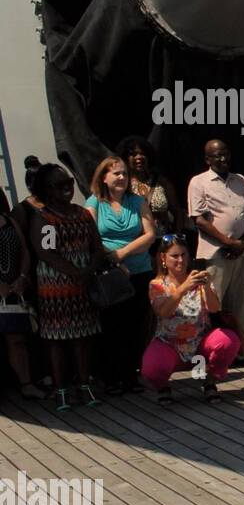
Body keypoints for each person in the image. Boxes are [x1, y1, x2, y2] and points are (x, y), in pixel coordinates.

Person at [28, 163, 111, 410]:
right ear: (47, 189)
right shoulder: (46, 218)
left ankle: (84, 384)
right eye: (59, 185)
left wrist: (88, 270)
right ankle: (61, 388)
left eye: (69, 184)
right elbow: (47, 252)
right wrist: (75, 273)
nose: (67, 189)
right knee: (58, 340)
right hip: (56, 288)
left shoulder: (82, 214)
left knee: (83, 337)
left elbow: (96, 246)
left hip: (84, 285)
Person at [85, 156, 157, 394]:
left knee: (136, 325)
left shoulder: (137, 202)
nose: (122, 178)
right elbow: (91, 236)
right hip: (110, 273)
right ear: (103, 177)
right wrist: (113, 260)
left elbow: (150, 234)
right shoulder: (94, 202)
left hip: (139, 270)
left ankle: (131, 375)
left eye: (125, 173)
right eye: (116, 173)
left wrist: (122, 253)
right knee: (112, 325)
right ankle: (111, 377)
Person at [142, 235, 241, 404]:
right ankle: (163, 386)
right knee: (152, 368)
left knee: (227, 340)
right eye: (174, 256)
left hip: (199, 342)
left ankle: (208, 381)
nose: (180, 260)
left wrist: (207, 287)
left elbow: (215, 308)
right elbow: (163, 312)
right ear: (163, 258)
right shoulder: (157, 284)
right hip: (170, 343)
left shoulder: (197, 278)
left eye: (184, 255)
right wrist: (182, 288)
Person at [188, 140, 244, 361]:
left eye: (225, 154)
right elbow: (199, 220)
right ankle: (213, 353)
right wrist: (228, 242)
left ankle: (242, 351)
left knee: (240, 303)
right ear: (207, 159)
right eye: (216, 155)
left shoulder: (242, 181)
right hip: (215, 253)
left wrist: (242, 242)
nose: (222, 158)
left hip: (240, 250)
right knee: (213, 305)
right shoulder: (199, 182)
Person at [0, 188, 43, 399]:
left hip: (16, 288)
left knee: (17, 338)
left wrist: (23, 277)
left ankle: (26, 383)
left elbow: (25, 250)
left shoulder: (8, 220)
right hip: (2, 288)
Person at [117, 135, 181, 235]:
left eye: (142, 153)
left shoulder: (161, 181)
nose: (139, 157)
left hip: (162, 240)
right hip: (134, 241)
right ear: (125, 158)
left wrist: (176, 235)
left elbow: (177, 211)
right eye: (133, 154)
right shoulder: (122, 183)